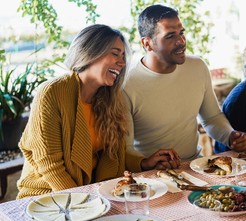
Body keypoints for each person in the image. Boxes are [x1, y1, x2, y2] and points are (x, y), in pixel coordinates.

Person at [16, 24, 178, 199]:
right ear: (90, 52)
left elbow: (114, 156)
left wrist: (145, 162)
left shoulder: (110, 99)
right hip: (46, 197)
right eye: (115, 54)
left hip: (91, 194)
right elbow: (50, 165)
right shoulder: (51, 93)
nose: (122, 63)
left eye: (123, 56)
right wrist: (85, 202)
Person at [123, 4, 246, 165]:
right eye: (170, 36)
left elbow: (211, 118)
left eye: (181, 33)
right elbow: (125, 148)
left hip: (195, 166)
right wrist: (146, 163)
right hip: (150, 177)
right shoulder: (126, 83)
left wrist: (230, 136)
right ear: (147, 43)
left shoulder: (197, 67)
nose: (181, 41)